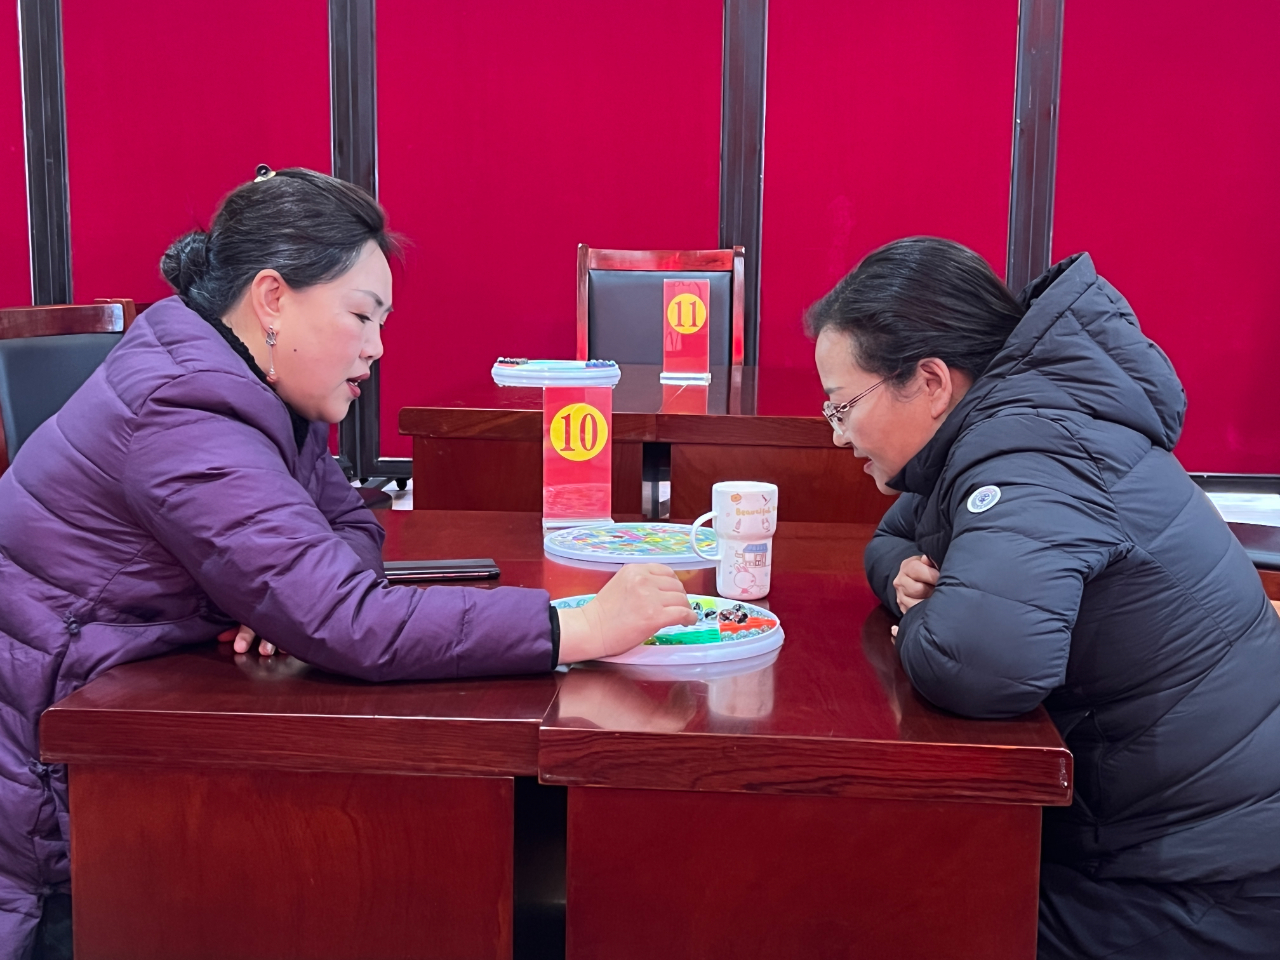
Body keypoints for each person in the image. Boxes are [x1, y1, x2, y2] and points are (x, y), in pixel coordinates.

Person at [0, 167, 697, 960]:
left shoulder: (247, 383)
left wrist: (285, 595)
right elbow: (347, 620)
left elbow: (346, 524)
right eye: (361, 315)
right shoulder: (185, 407)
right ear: (272, 298)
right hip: (58, 780)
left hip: (123, 719)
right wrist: (577, 625)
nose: (377, 347)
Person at [808, 237, 1280, 959]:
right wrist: (909, 576)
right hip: (1149, 838)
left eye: (844, 407)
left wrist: (927, 611)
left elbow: (980, 665)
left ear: (930, 382)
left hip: (1202, 881)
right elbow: (890, 539)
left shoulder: (1036, 455)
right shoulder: (1001, 430)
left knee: (879, 923)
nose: (839, 435)